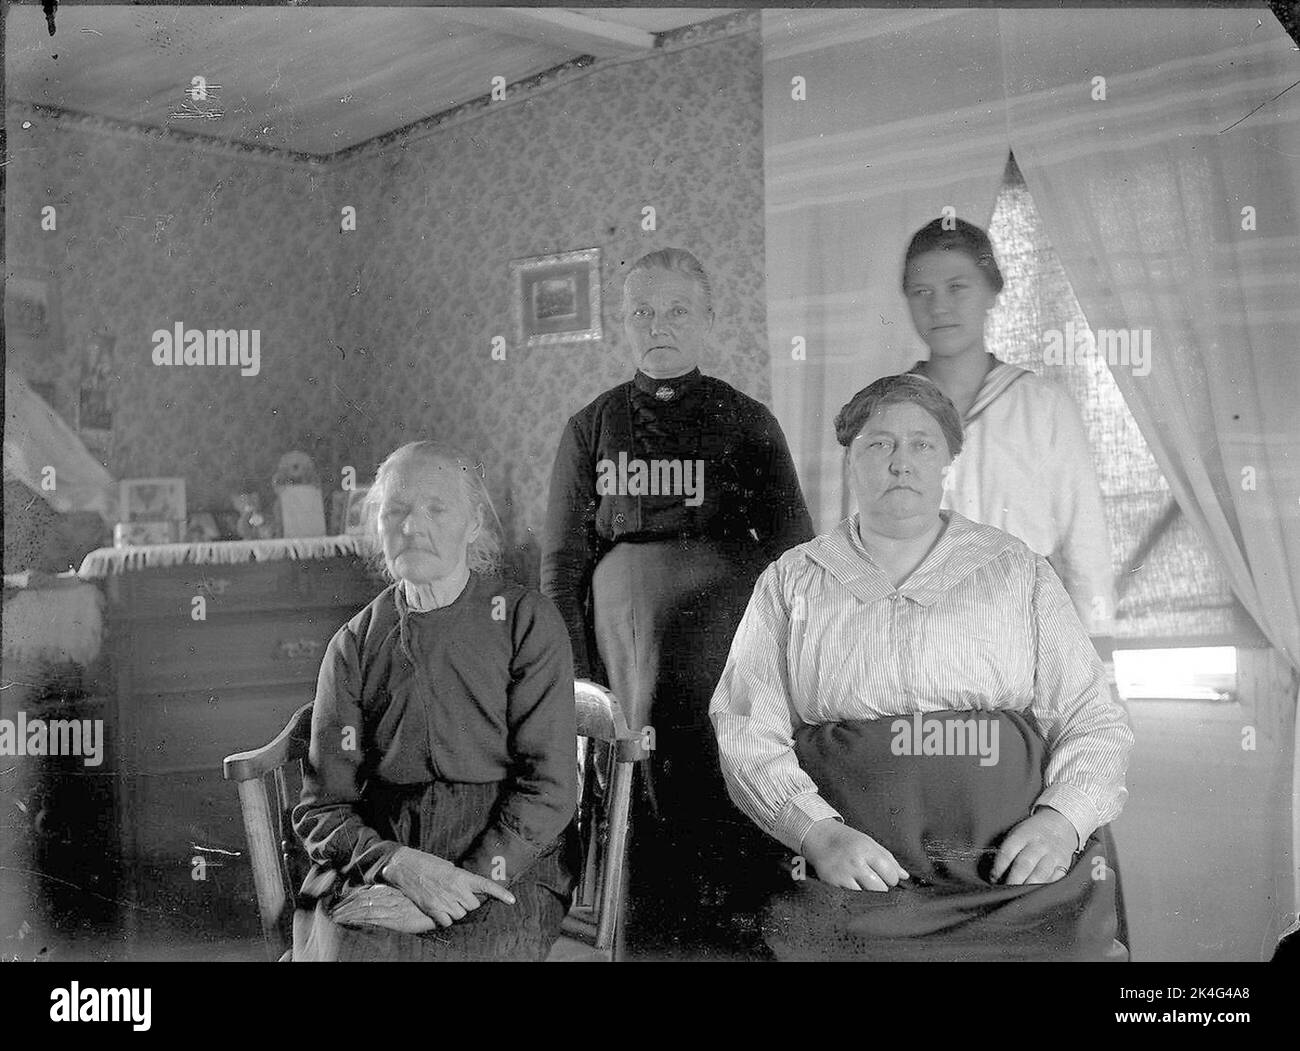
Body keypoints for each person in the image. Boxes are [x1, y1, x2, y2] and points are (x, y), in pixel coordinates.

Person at [710, 374, 1134, 961]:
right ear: (850, 461)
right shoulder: (793, 578)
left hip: (1011, 875)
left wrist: (1061, 822)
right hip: (857, 878)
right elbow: (744, 728)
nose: (901, 463)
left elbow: (1093, 720)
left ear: (947, 463)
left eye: (922, 445)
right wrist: (819, 834)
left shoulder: (1016, 569)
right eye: (879, 444)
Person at [542, 247, 814, 958]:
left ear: (707, 319)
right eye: (641, 311)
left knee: (730, 759)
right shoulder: (589, 427)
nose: (657, 325)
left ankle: (738, 933)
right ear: (622, 323)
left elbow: (794, 547)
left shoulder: (747, 418)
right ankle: (651, 937)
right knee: (639, 770)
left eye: (676, 310)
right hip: (623, 642)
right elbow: (562, 562)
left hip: (726, 634)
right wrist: (578, 679)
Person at [291, 441, 580, 961]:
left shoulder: (525, 622)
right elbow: (324, 808)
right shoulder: (353, 644)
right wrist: (400, 866)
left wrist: (455, 886)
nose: (411, 526)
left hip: (506, 855)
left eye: (437, 509)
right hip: (382, 853)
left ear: (473, 524)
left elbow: (550, 788)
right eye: (395, 510)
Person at [903, 217, 1115, 638]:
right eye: (921, 292)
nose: (939, 307)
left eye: (957, 287)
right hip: (914, 648)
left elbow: (1085, 546)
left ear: (991, 291)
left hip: (1022, 644)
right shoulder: (886, 413)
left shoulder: (1043, 408)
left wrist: (1098, 665)